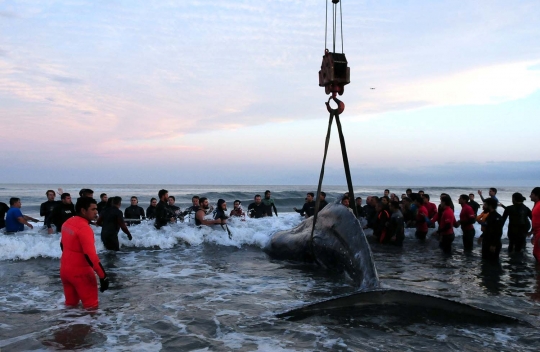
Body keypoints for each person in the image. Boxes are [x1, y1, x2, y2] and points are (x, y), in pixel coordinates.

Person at [60, 197, 108, 309]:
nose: (96, 212)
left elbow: (62, 245)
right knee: (91, 308)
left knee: (71, 306)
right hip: (81, 274)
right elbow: (90, 256)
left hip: (65, 271)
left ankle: (69, 325)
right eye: (93, 209)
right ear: (83, 210)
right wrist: (103, 276)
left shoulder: (67, 222)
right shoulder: (84, 228)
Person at [529, 187, 540, 263]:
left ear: (537, 195)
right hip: (537, 232)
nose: (530, 196)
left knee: (538, 254)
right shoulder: (536, 204)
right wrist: (533, 233)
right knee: (536, 253)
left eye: (532, 194)